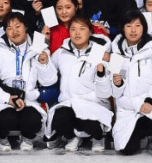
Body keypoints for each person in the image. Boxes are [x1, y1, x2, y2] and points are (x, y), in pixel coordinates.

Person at [0, 12, 57, 152]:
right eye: (9, 28)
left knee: (32, 120)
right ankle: (2, 138)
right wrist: (6, 98)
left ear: (25, 27)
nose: (14, 31)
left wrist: (44, 64)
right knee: (7, 119)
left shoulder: (38, 46)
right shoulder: (0, 50)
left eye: (18, 26)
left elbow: (49, 81)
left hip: (29, 99)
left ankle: (28, 137)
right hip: (7, 99)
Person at [42, 16, 113, 152]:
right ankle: (73, 136)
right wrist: (43, 59)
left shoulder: (101, 53)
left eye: (82, 29)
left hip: (93, 102)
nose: (77, 33)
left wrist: (103, 70)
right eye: (73, 29)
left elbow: (110, 87)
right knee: (60, 117)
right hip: (69, 102)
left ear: (90, 32)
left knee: (91, 123)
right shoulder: (61, 52)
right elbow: (48, 78)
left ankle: (98, 137)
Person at [109, 11, 152, 160]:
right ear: (122, 28)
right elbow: (112, 91)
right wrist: (117, 84)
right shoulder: (116, 53)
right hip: (127, 108)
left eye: (137, 25)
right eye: (129, 25)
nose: (133, 30)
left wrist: (150, 100)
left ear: (144, 27)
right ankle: (143, 134)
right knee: (126, 149)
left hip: (150, 102)